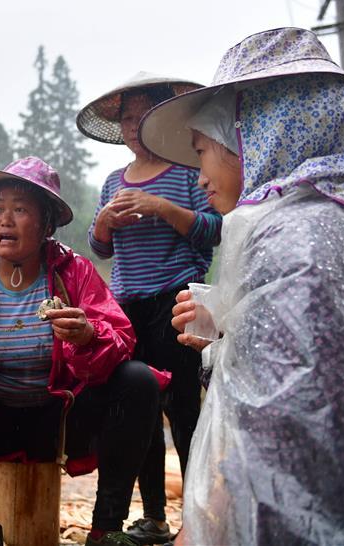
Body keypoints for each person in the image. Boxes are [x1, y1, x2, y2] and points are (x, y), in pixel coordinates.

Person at [137, 27, 344, 545]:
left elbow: (286, 425)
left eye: (204, 151)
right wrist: (229, 324)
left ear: (258, 135)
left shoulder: (293, 236)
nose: (200, 177)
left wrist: (206, 521)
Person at [0, 156, 171, 546]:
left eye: (20, 209)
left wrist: (87, 336)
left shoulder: (74, 273)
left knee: (139, 380)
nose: (5, 219)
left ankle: (105, 530)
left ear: (46, 225)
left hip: (61, 423)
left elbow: (121, 339)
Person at [78, 73, 221, 544]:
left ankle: (196, 517)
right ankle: (154, 516)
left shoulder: (186, 172)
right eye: (126, 119)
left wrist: (161, 207)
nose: (134, 126)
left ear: (163, 121)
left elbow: (213, 229)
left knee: (184, 411)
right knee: (138, 408)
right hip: (127, 308)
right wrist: (103, 220)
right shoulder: (113, 182)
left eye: (144, 117)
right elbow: (101, 248)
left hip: (178, 301)